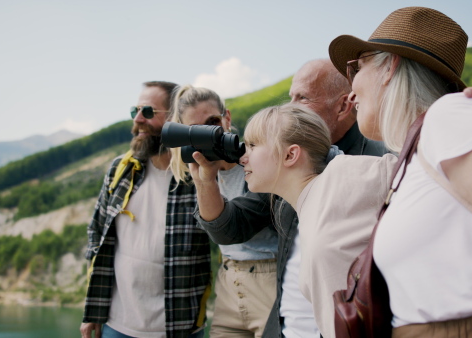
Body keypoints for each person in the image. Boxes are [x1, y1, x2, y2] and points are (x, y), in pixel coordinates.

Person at [328, 6, 472, 337]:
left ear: (390, 66)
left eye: (356, 67)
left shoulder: (450, 116)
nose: (350, 89)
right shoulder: (421, 152)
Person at [191, 59, 389, 338]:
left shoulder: (373, 164)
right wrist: (206, 181)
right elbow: (230, 226)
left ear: (344, 106)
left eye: (302, 98)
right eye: (290, 96)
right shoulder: (278, 180)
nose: (289, 107)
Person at [80, 81, 211, 338]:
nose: (138, 119)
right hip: (116, 325)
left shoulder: (198, 175)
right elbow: (96, 235)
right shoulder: (121, 169)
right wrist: (92, 310)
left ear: (175, 119)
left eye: (148, 112)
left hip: (180, 326)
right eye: (135, 111)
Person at [167, 85, 278, 338]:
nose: (209, 134)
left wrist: (205, 181)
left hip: (269, 279)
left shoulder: (257, 160)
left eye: (213, 122)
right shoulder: (199, 174)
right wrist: (204, 178)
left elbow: (229, 229)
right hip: (228, 283)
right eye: (196, 130)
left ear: (227, 118)